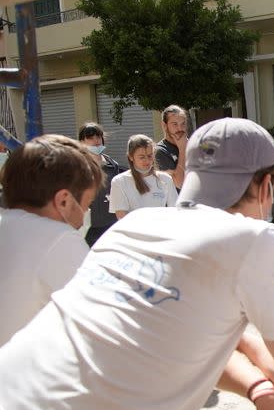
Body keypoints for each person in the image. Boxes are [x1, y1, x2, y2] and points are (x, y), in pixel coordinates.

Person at [0, 118, 274, 410]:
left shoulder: (135, 224)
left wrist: (257, 387)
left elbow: (172, 338)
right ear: (266, 186)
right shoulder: (253, 238)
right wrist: (251, 345)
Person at [0, 134, 102, 347]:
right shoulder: (59, 239)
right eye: (86, 204)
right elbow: (100, 325)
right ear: (64, 200)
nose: (84, 215)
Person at [78, 122, 127, 246]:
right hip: (88, 227)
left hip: (111, 225)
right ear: (82, 142)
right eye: (90, 138)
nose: (95, 141)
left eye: (98, 137)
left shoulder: (112, 164)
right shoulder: (78, 165)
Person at [109, 134, 178, 219]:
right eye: (142, 157)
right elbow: (121, 216)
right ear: (131, 157)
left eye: (150, 156)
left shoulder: (166, 179)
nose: (147, 160)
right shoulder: (119, 181)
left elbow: (175, 211)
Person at [154, 104, 189, 189]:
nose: (180, 129)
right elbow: (179, 183)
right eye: (175, 124)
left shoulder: (193, 146)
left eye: (183, 124)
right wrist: (182, 149)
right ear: (164, 125)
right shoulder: (160, 151)